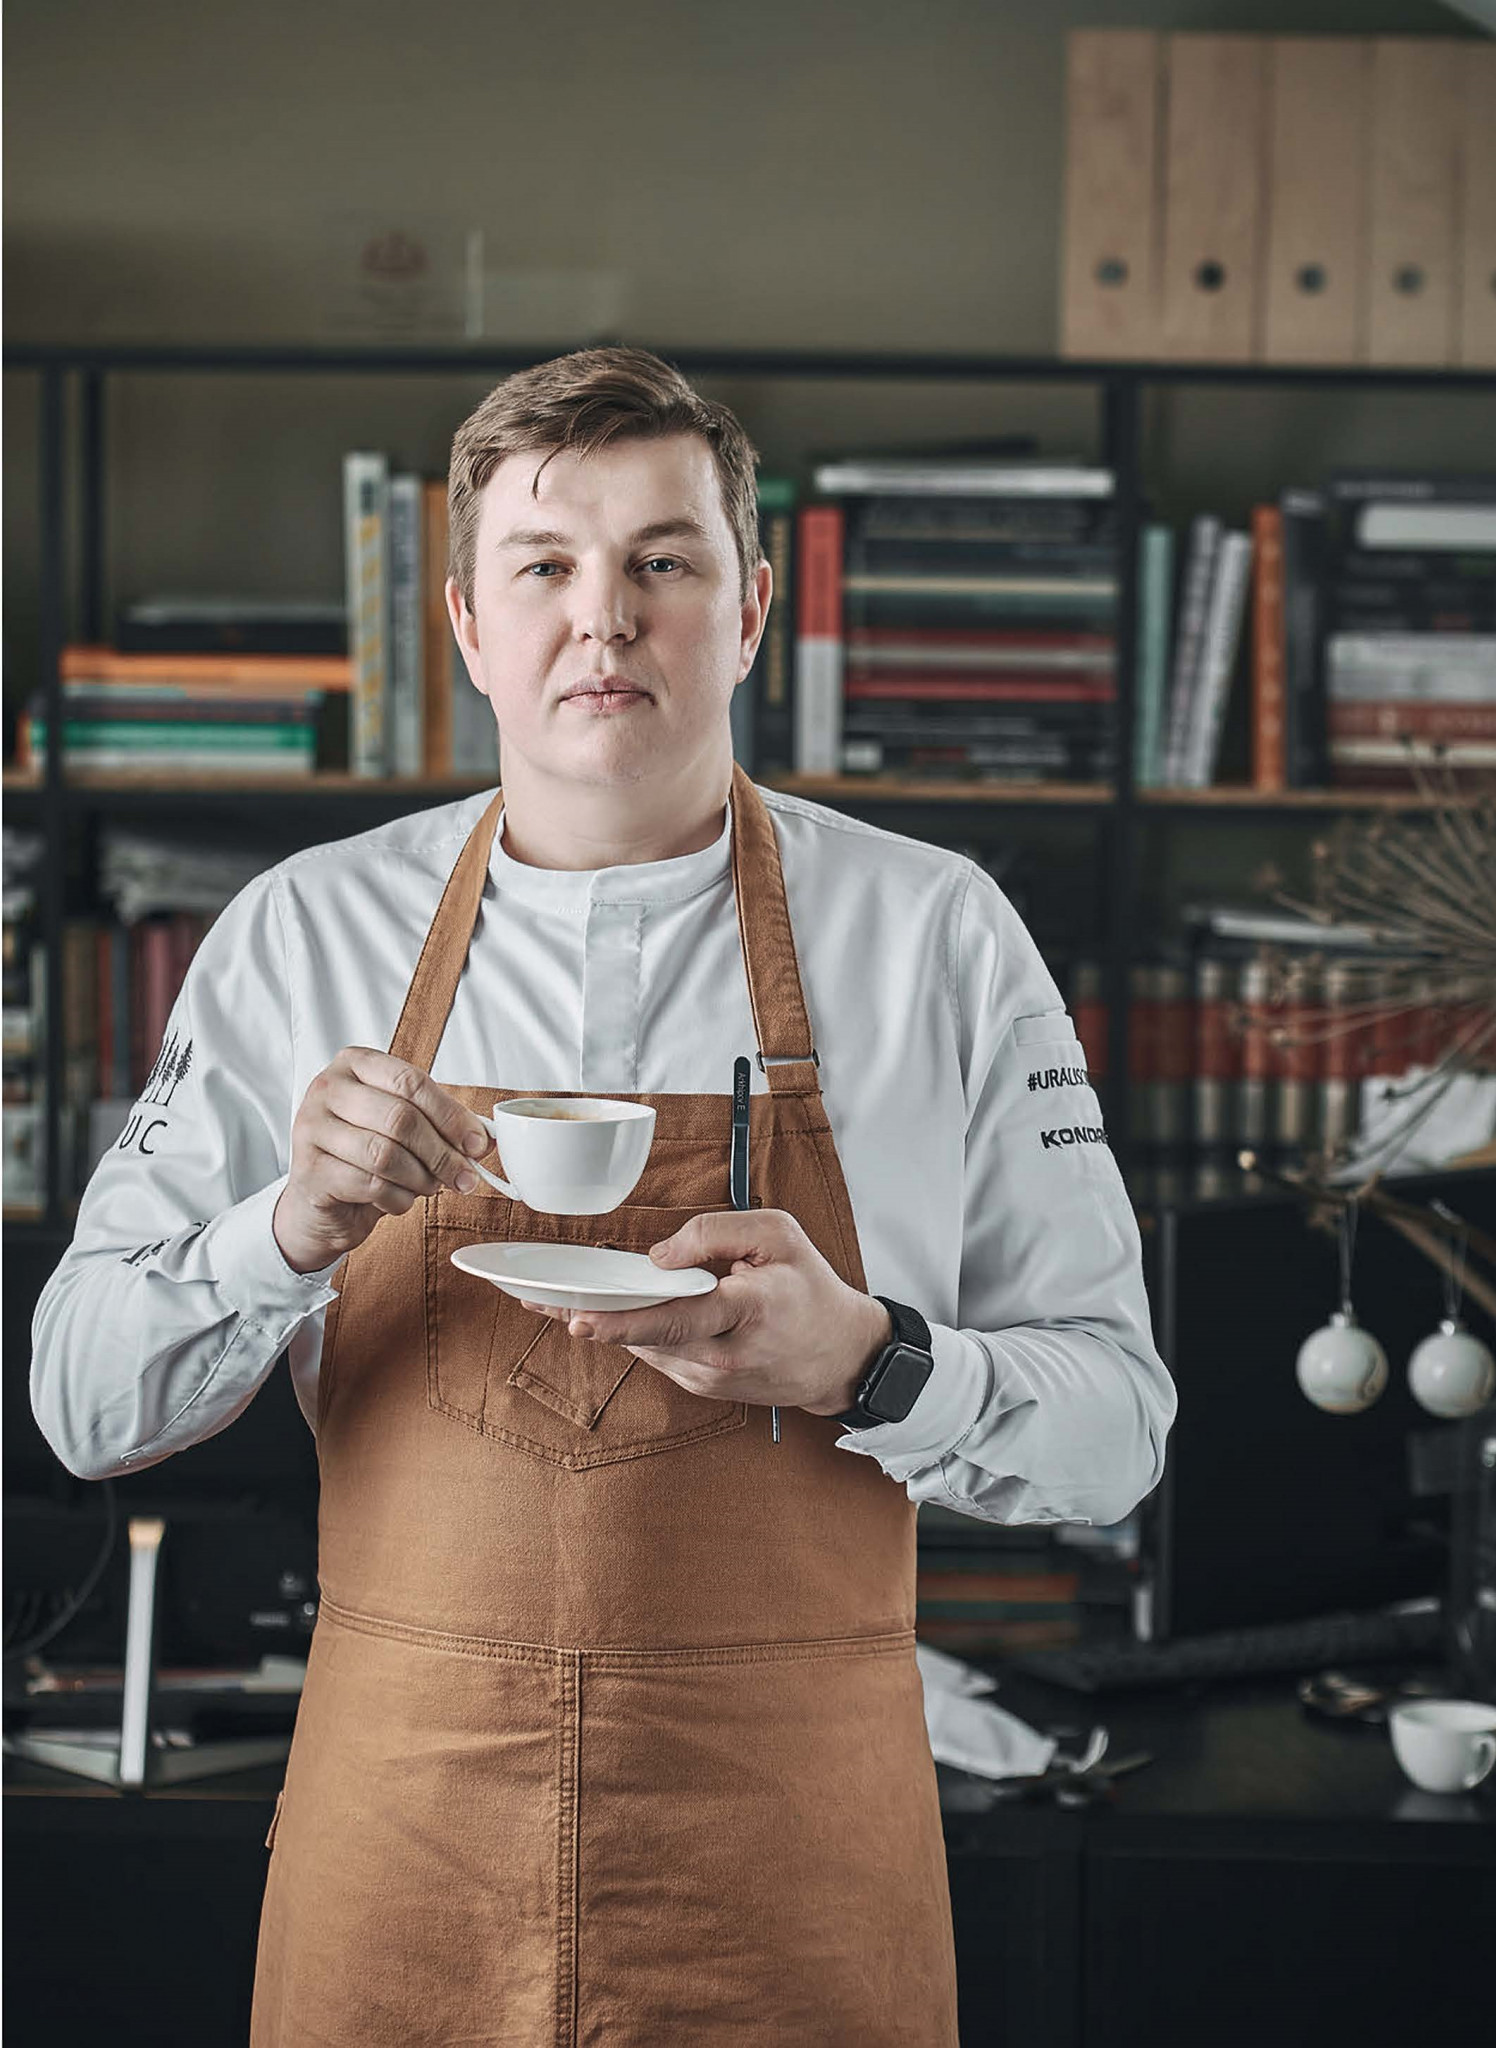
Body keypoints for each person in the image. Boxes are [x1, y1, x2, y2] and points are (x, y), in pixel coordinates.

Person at [31, 347, 1175, 2045]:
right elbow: (80, 1405)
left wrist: (870, 1362)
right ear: (467, 623)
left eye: (663, 561)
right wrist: (285, 1232)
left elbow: (1118, 1433)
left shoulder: (934, 933)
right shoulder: (300, 933)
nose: (604, 619)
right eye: (545, 566)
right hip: (403, 1841)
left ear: (751, 606)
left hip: (790, 1862)